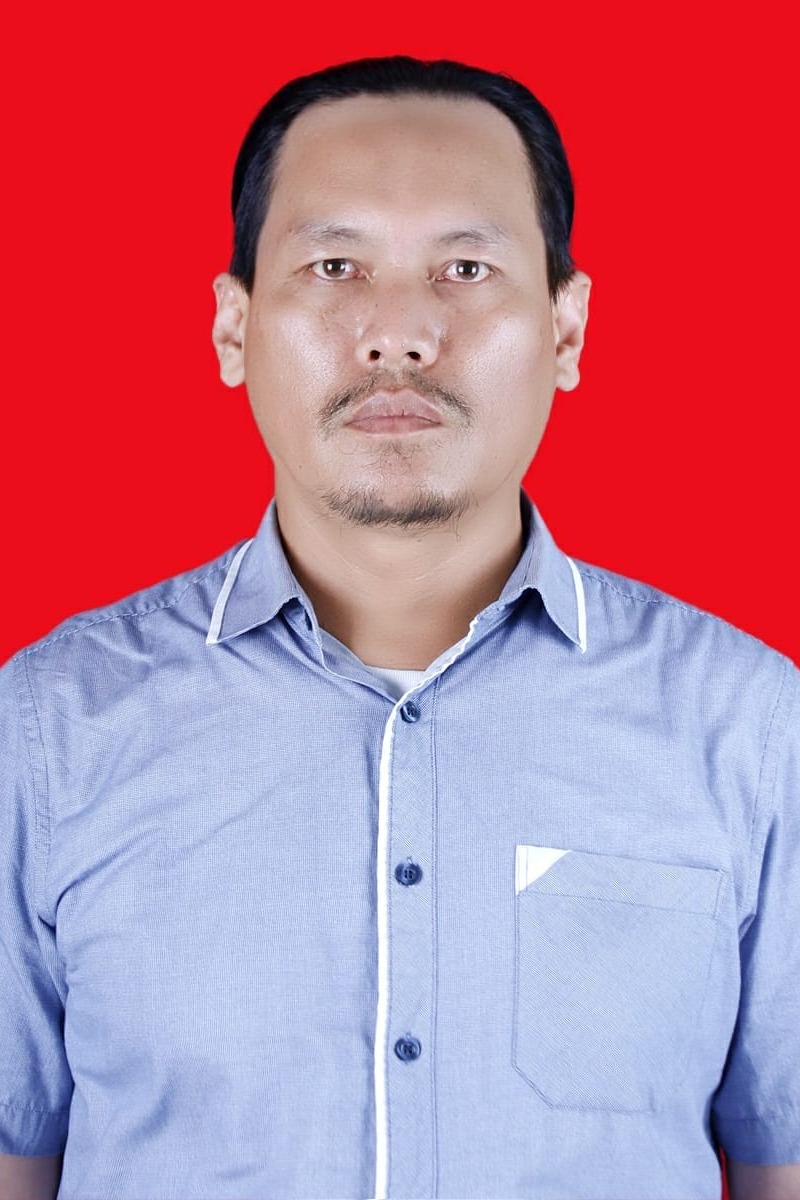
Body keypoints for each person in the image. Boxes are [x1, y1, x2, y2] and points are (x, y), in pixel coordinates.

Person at [0, 55, 797, 1200]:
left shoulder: (749, 729)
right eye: (335, 266)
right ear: (232, 328)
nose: (398, 335)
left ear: (565, 330)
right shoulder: (48, 730)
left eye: (464, 268)